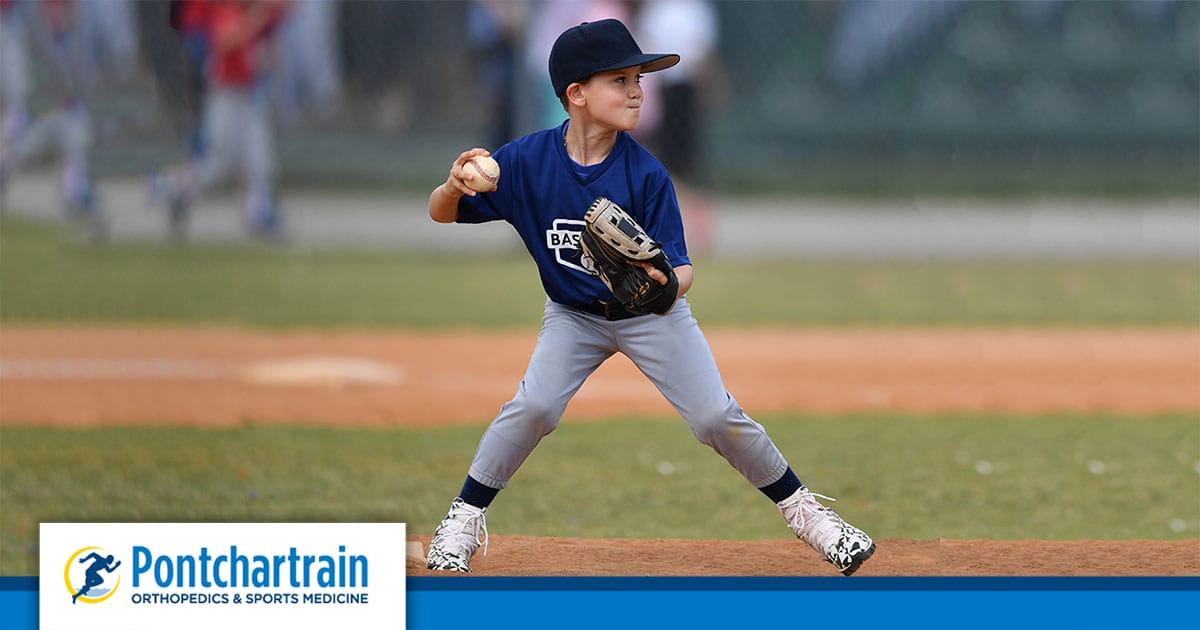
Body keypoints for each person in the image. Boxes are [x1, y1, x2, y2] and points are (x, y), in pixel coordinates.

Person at [424, 18, 875, 576]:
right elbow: (441, 213)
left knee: (714, 416)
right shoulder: (524, 162)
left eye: (639, 78)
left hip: (649, 316)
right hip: (573, 316)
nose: (638, 90)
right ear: (576, 94)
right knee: (533, 407)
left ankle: (809, 515)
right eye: (620, 79)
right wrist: (452, 186)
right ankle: (464, 521)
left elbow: (683, 272)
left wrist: (659, 281)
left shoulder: (646, 173)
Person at [150, 0, 290, 241]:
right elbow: (224, 40)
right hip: (226, 97)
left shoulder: (257, 17)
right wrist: (255, 18)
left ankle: (260, 214)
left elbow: (271, 52)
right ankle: (174, 189)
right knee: (217, 165)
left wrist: (268, 53)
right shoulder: (231, 11)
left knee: (260, 161)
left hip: (249, 97)